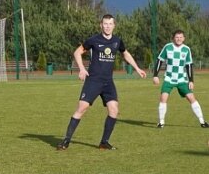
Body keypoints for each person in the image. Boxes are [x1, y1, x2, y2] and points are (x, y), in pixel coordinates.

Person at [57, 14, 146, 151]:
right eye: (105, 24)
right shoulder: (93, 40)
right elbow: (77, 52)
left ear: (114, 25)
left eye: (110, 24)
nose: (108, 26)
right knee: (82, 109)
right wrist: (81, 69)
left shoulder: (117, 41)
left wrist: (137, 68)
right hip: (93, 80)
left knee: (114, 110)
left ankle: (104, 142)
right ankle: (66, 141)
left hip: (108, 82)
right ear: (101, 25)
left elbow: (125, 53)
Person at [152, 30, 208, 128]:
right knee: (163, 98)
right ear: (173, 38)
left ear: (184, 38)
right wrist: (155, 75)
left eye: (181, 37)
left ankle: (202, 121)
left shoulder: (186, 49)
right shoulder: (167, 47)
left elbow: (189, 65)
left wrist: (191, 80)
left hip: (181, 79)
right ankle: (161, 122)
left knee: (191, 98)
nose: (179, 39)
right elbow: (159, 60)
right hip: (169, 78)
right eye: (177, 37)